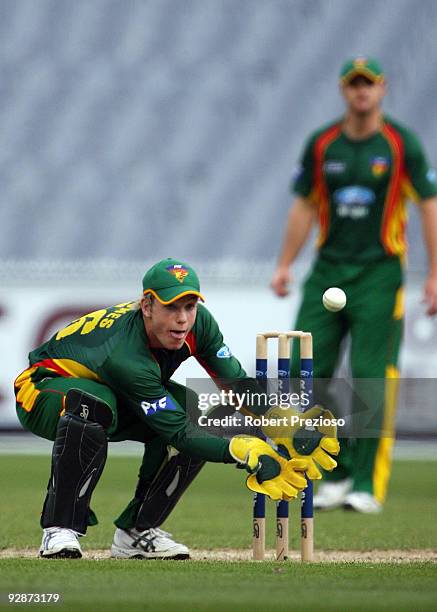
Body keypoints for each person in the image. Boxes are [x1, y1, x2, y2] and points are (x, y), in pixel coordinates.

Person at [14, 258, 339, 559]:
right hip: (46, 389)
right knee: (93, 405)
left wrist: (280, 420)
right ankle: (59, 529)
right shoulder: (125, 355)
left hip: (114, 390)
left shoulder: (198, 326)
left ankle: (137, 532)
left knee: (197, 409)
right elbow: (179, 433)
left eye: (190, 306)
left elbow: (237, 384)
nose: (182, 318)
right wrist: (243, 450)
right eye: (171, 308)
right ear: (147, 306)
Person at [271, 57, 437, 513]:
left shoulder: (401, 145)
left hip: (380, 274)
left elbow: (428, 205)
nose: (361, 92)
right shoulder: (323, 145)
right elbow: (304, 206)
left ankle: (366, 483)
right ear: (344, 91)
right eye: (353, 84)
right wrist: (285, 265)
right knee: (306, 372)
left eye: (369, 84)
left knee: (370, 376)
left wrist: (436, 274)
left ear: (383, 89)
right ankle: (339, 471)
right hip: (327, 270)